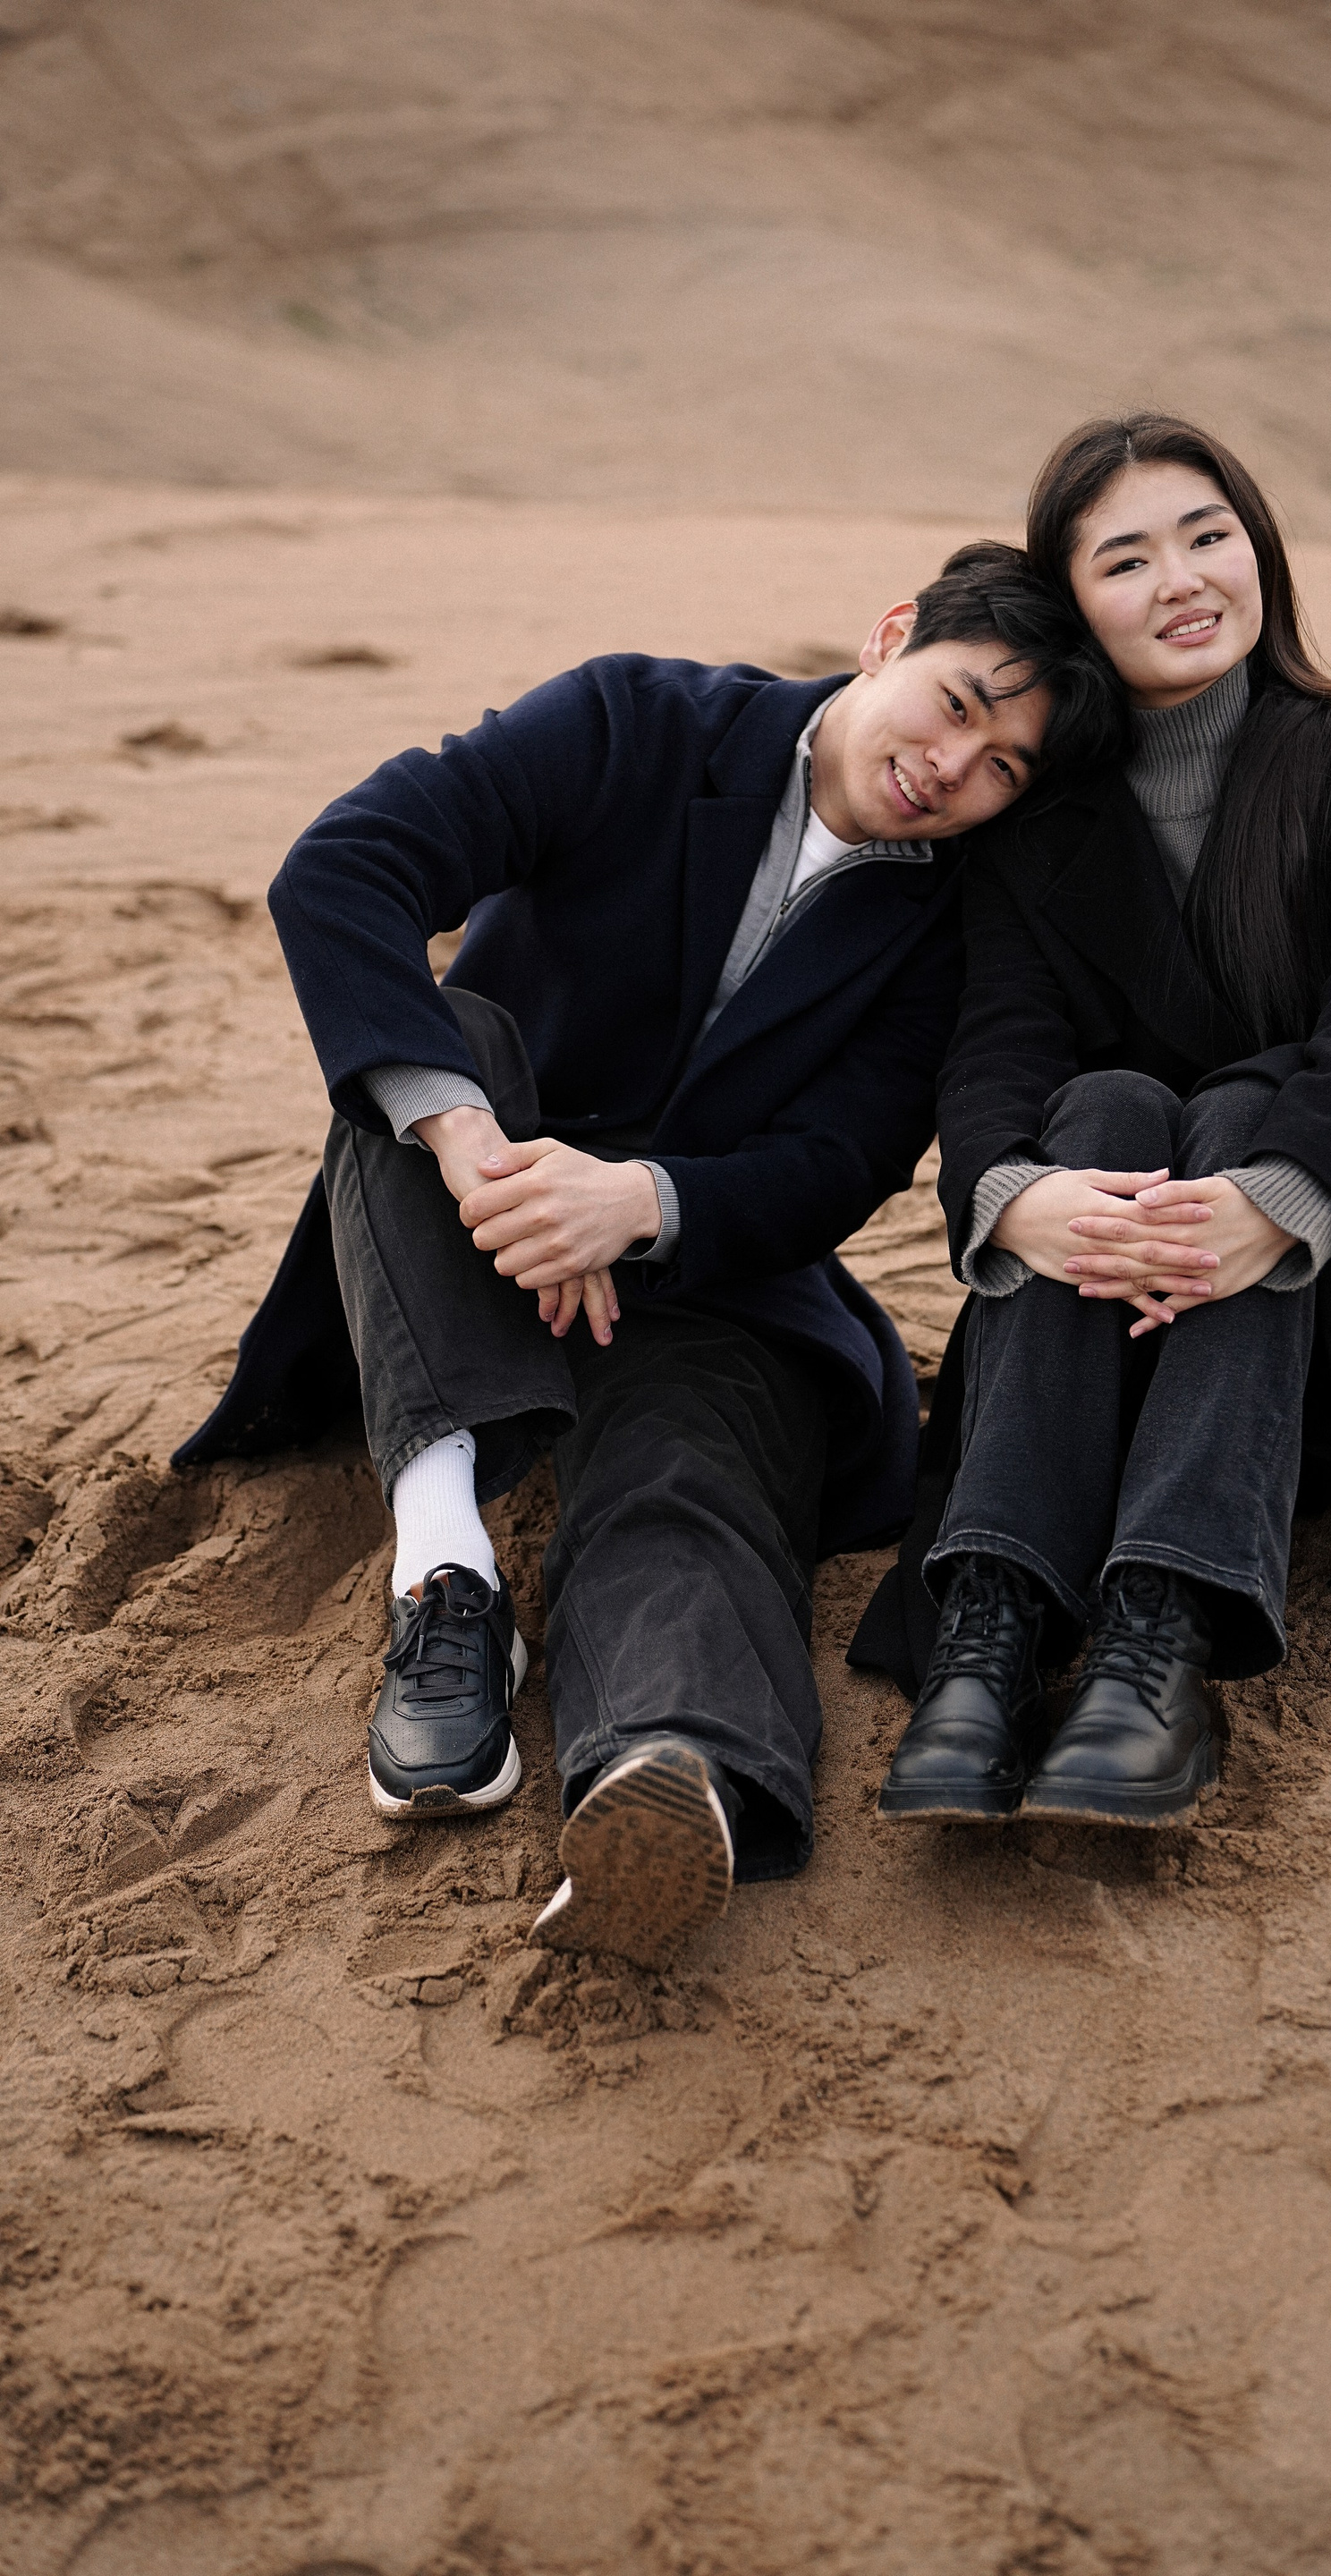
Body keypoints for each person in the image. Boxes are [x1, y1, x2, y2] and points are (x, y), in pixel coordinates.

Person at [174, 544, 1123, 1960]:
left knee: (685, 1472)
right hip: (464, 1217)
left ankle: (669, 1777)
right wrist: (478, 1153)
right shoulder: (636, 722)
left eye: (1003, 767)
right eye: (958, 703)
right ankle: (448, 1576)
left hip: (708, 1274)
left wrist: (639, 1204)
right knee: (437, 1049)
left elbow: (840, 1162)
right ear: (892, 636)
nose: (953, 767)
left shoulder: (953, 918)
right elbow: (348, 865)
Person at [854, 415, 1331, 1829]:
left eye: (1207, 536)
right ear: (1074, 605)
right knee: (1108, 1104)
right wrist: (1011, 1197)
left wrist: (1276, 1201)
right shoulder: (1032, 806)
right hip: (1113, 1296)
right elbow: (1000, 1048)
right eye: (1126, 560)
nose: (1181, 580)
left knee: (1250, 1102)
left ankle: (1160, 1637)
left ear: (1260, 550)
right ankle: (993, 1627)